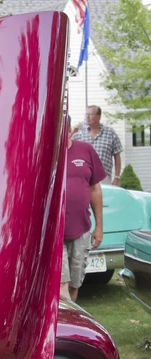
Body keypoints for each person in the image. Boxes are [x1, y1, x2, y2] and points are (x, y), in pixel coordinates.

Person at [61, 116, 106, 302]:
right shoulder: (46, 154)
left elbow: (95, 189)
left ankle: (69, 323)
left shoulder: (85, 150)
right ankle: (62, 324)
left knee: (74, 284)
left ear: (70, 129)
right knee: (61, 285)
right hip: (54, 232)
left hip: (81, 229)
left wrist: (99, 227)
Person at [72, 105, 122, 185]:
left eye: (90, 114)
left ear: (99, 116)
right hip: (84, 177)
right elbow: (65, 146)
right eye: (86, 114)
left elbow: (117, 155)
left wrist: (116, 177)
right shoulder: (79, 132)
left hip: (104, 178)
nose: (87, 117)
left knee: (104, 197)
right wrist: (73, 132)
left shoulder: (110, 132)